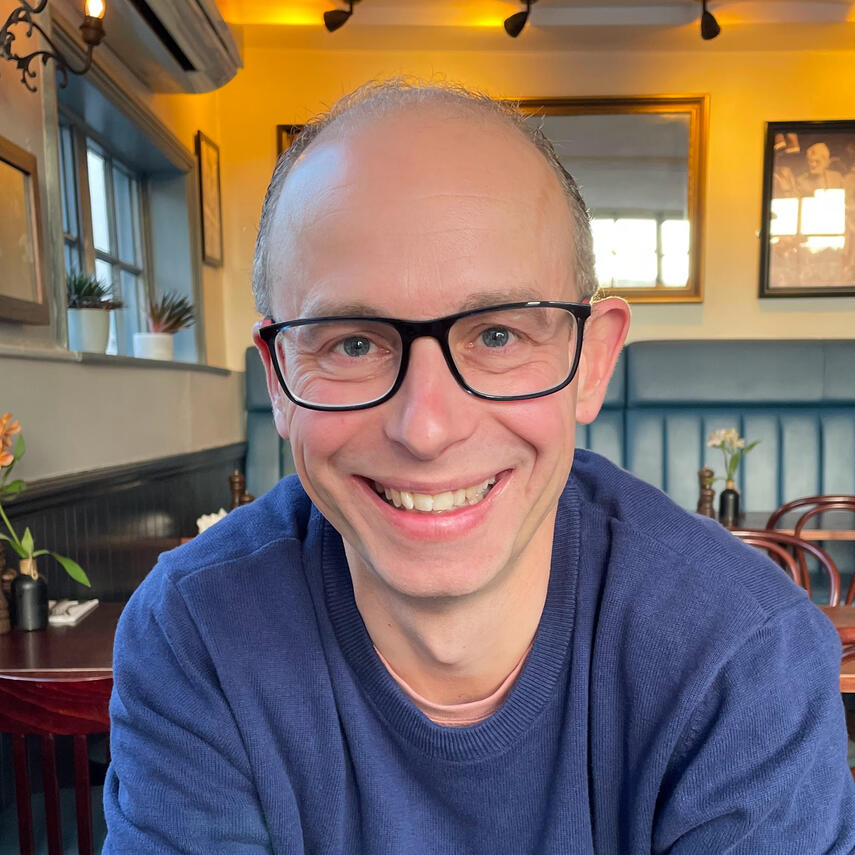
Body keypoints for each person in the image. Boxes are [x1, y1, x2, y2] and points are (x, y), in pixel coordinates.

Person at [103, 80, 855, 853]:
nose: (427, 428)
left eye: (497, 335)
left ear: (591, 361)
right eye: (352, 343)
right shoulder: (196, 633)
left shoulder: (743, 655)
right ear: (278, 378)